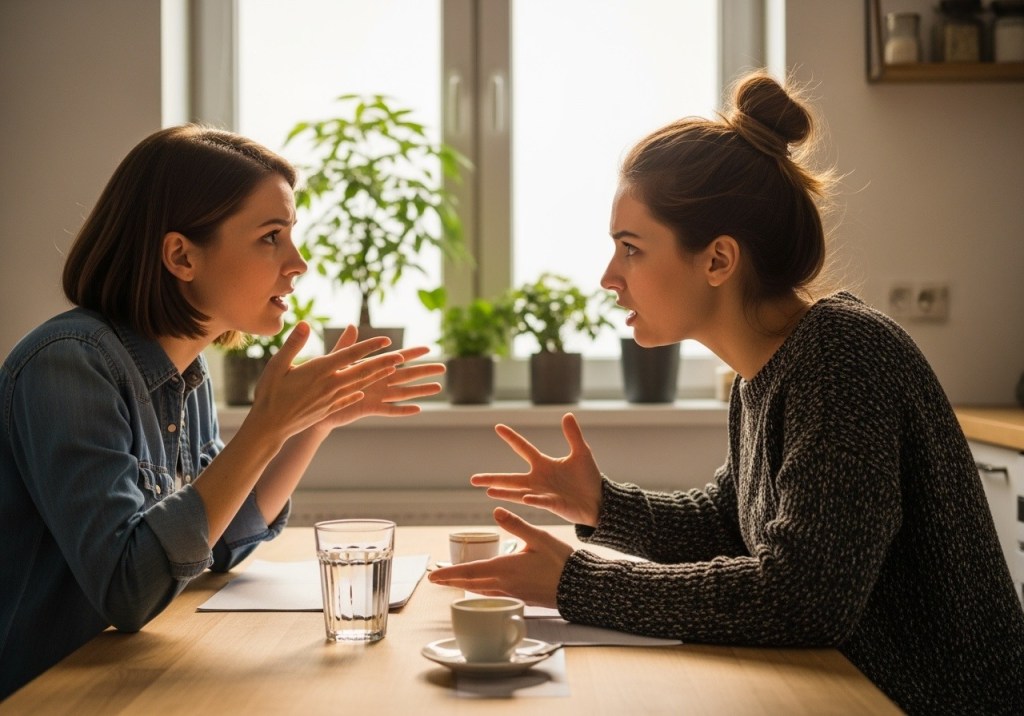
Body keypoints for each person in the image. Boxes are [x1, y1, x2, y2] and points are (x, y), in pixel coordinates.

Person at [428, 71, 1024, 714]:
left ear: (717, 261)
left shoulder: (844, 357)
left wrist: (581, 583)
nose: (609, 277)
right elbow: (730, 520)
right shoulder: (765, 372)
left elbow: (803, 597)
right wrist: (602, 504)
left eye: (631, 250)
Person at [0, 125, 445, 698]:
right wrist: (265, 426)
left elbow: (223, 538)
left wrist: (312, 424)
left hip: (116, 679)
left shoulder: (186, 371)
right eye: (270, 237)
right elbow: (127, 588)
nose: (298, 263)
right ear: (181, 255)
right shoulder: (69, 365)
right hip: (43, 694)